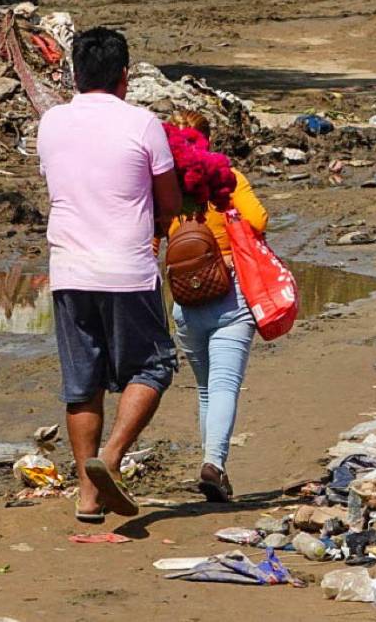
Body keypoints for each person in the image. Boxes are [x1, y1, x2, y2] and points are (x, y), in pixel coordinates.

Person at [37, 27, 181, 523]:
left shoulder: (51, 122)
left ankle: (87, 496)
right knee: (155, 364)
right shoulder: (142, 124)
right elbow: (169, 201)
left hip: (69, 269)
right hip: (127, 269)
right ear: (125, 77)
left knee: (83, 382)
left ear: (76, 74)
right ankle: (112, 458)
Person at [166, 110, 269, 502]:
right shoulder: (228, 179)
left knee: (206, 389)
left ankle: (214, 465)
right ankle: (214, 465)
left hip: (185, 300)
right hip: (230, 293)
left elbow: (156, 232)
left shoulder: (168, 186)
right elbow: (259, 219)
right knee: (224, 385)